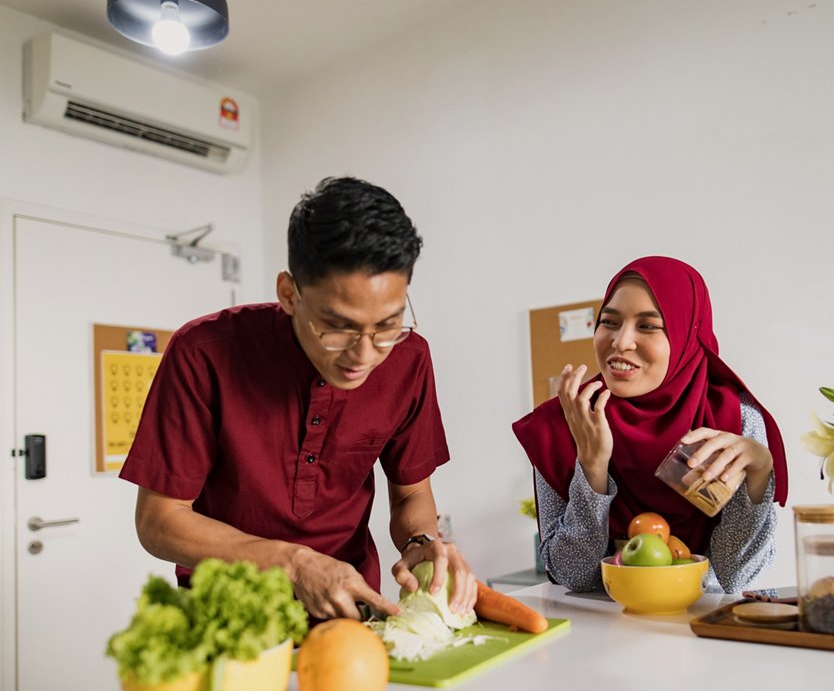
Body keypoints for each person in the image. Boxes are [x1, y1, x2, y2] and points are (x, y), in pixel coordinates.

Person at [121, 176, 476, 620]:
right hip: (226, 615)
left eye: (387, 324)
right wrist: (294, 563)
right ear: (289, 294)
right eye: (338, 326)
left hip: (350, 608)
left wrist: (421, 543)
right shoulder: (203, 352)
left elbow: (410, 497)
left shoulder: (409, 360)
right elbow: (159, 521)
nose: (364, 354)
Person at [511, 256, 788, 594]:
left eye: (647, 326)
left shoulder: (732, 422)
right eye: (609, 322)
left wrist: (759, 475)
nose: (621, 341)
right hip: (596, 632)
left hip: (701, 631)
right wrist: (592, 468)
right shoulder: (566, 422)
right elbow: (573, 576)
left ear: (688, 334)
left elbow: (735, 576)